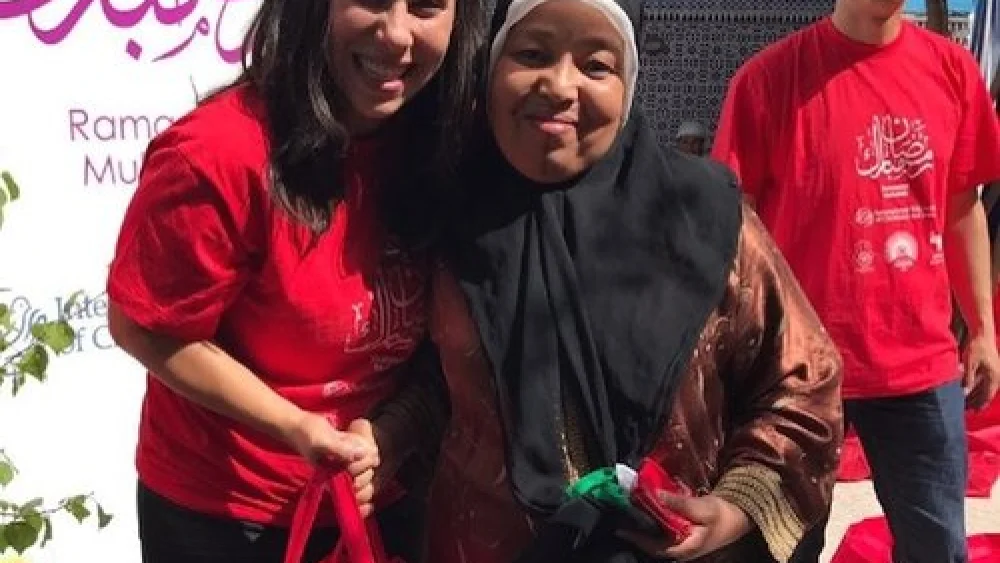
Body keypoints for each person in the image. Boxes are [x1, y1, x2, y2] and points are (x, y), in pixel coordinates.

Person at [410, 0, 844, 560]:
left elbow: (806, 385)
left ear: (629, 84)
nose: (561, 86)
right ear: (489, 68)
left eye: (596, 66)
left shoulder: (704, 220)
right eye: (532, 54)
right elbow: (421, 382)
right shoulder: (445, 218)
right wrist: (384, 436)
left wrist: (738, 505)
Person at [104, 0, 483, 560]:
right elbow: (145, 326)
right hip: (226, 517)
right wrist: (296, 427)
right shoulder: (218, 153)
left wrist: (390, 438)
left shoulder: (446, 151)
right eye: (372, 0)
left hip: (383, 498)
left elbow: (451, 343)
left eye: (427, 6)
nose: (397, 34)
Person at [711, 1, 1000, 561]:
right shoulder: (770, 80)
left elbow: (962, 209)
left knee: (937, 545)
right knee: (779, 547)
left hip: (920, 367)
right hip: (795, 372)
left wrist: (985, 330)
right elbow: (732, 232)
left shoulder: (953, 71)